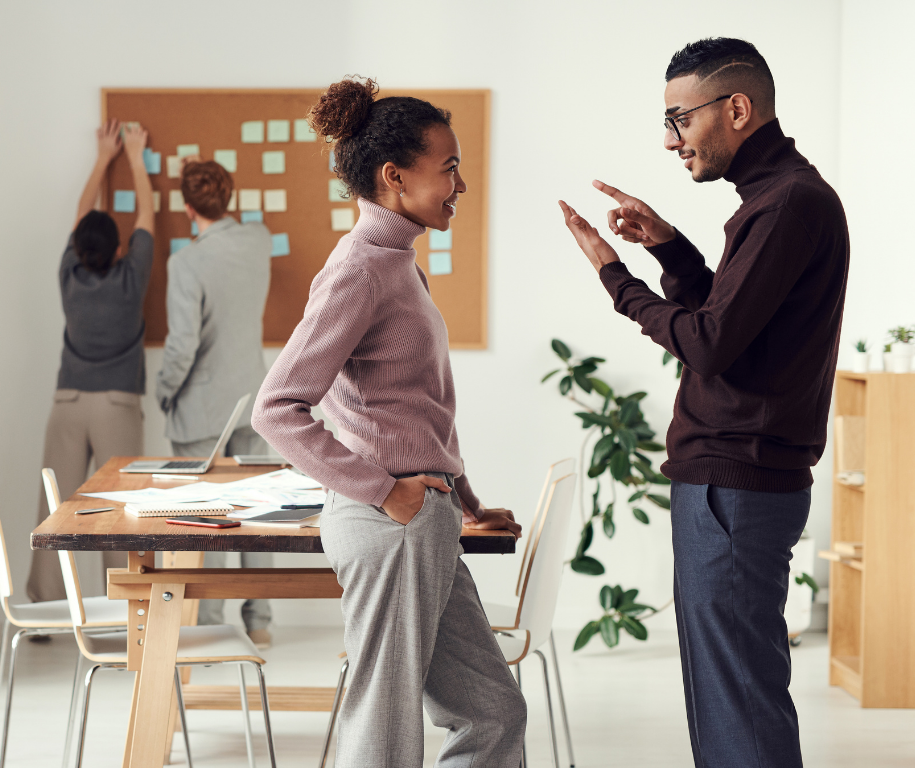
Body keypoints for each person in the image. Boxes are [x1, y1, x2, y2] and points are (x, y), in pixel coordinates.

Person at [558, 38, 848, 768]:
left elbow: (710, 344)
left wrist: (614, 277)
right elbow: (740, 333)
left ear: (737, 109)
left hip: (734, 482)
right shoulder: (775, 202)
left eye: (678, 119)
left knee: (736, 703)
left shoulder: (785, 206)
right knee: (733, 697)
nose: (668, 140)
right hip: (735, 480)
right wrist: (670, 249)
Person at [252, 77, 525, 767]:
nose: (460, 184)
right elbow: (276, 408)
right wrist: (386, 492)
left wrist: (465, 501)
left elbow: (418, 409)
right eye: (449, 168)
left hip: (423, 517)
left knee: (491, 711)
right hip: (390, 521)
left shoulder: (399, 264)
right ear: (394, 176)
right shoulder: (360, 271)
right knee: (384, 724)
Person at [26, 120, 155, 605]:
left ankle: (42, 601)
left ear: (78, 249)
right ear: (120, 250)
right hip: (118, 405)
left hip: (67, 402)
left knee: (54, 504)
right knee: (120, 508)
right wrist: (137, 157)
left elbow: (83, 214)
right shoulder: (131, 278)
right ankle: (123, 602)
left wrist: (104, 156)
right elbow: (147, 215)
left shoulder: (69, 275)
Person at [155, 157, 275, 646]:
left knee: (207, 515)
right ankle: (260, 622)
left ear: (186, 208)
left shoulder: (185, 262)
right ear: (228, 199)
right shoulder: (259, 241)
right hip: (253, 395)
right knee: (257, 510)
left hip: (203, 407)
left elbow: (182, 346)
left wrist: (164, 391)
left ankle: (209, 625)